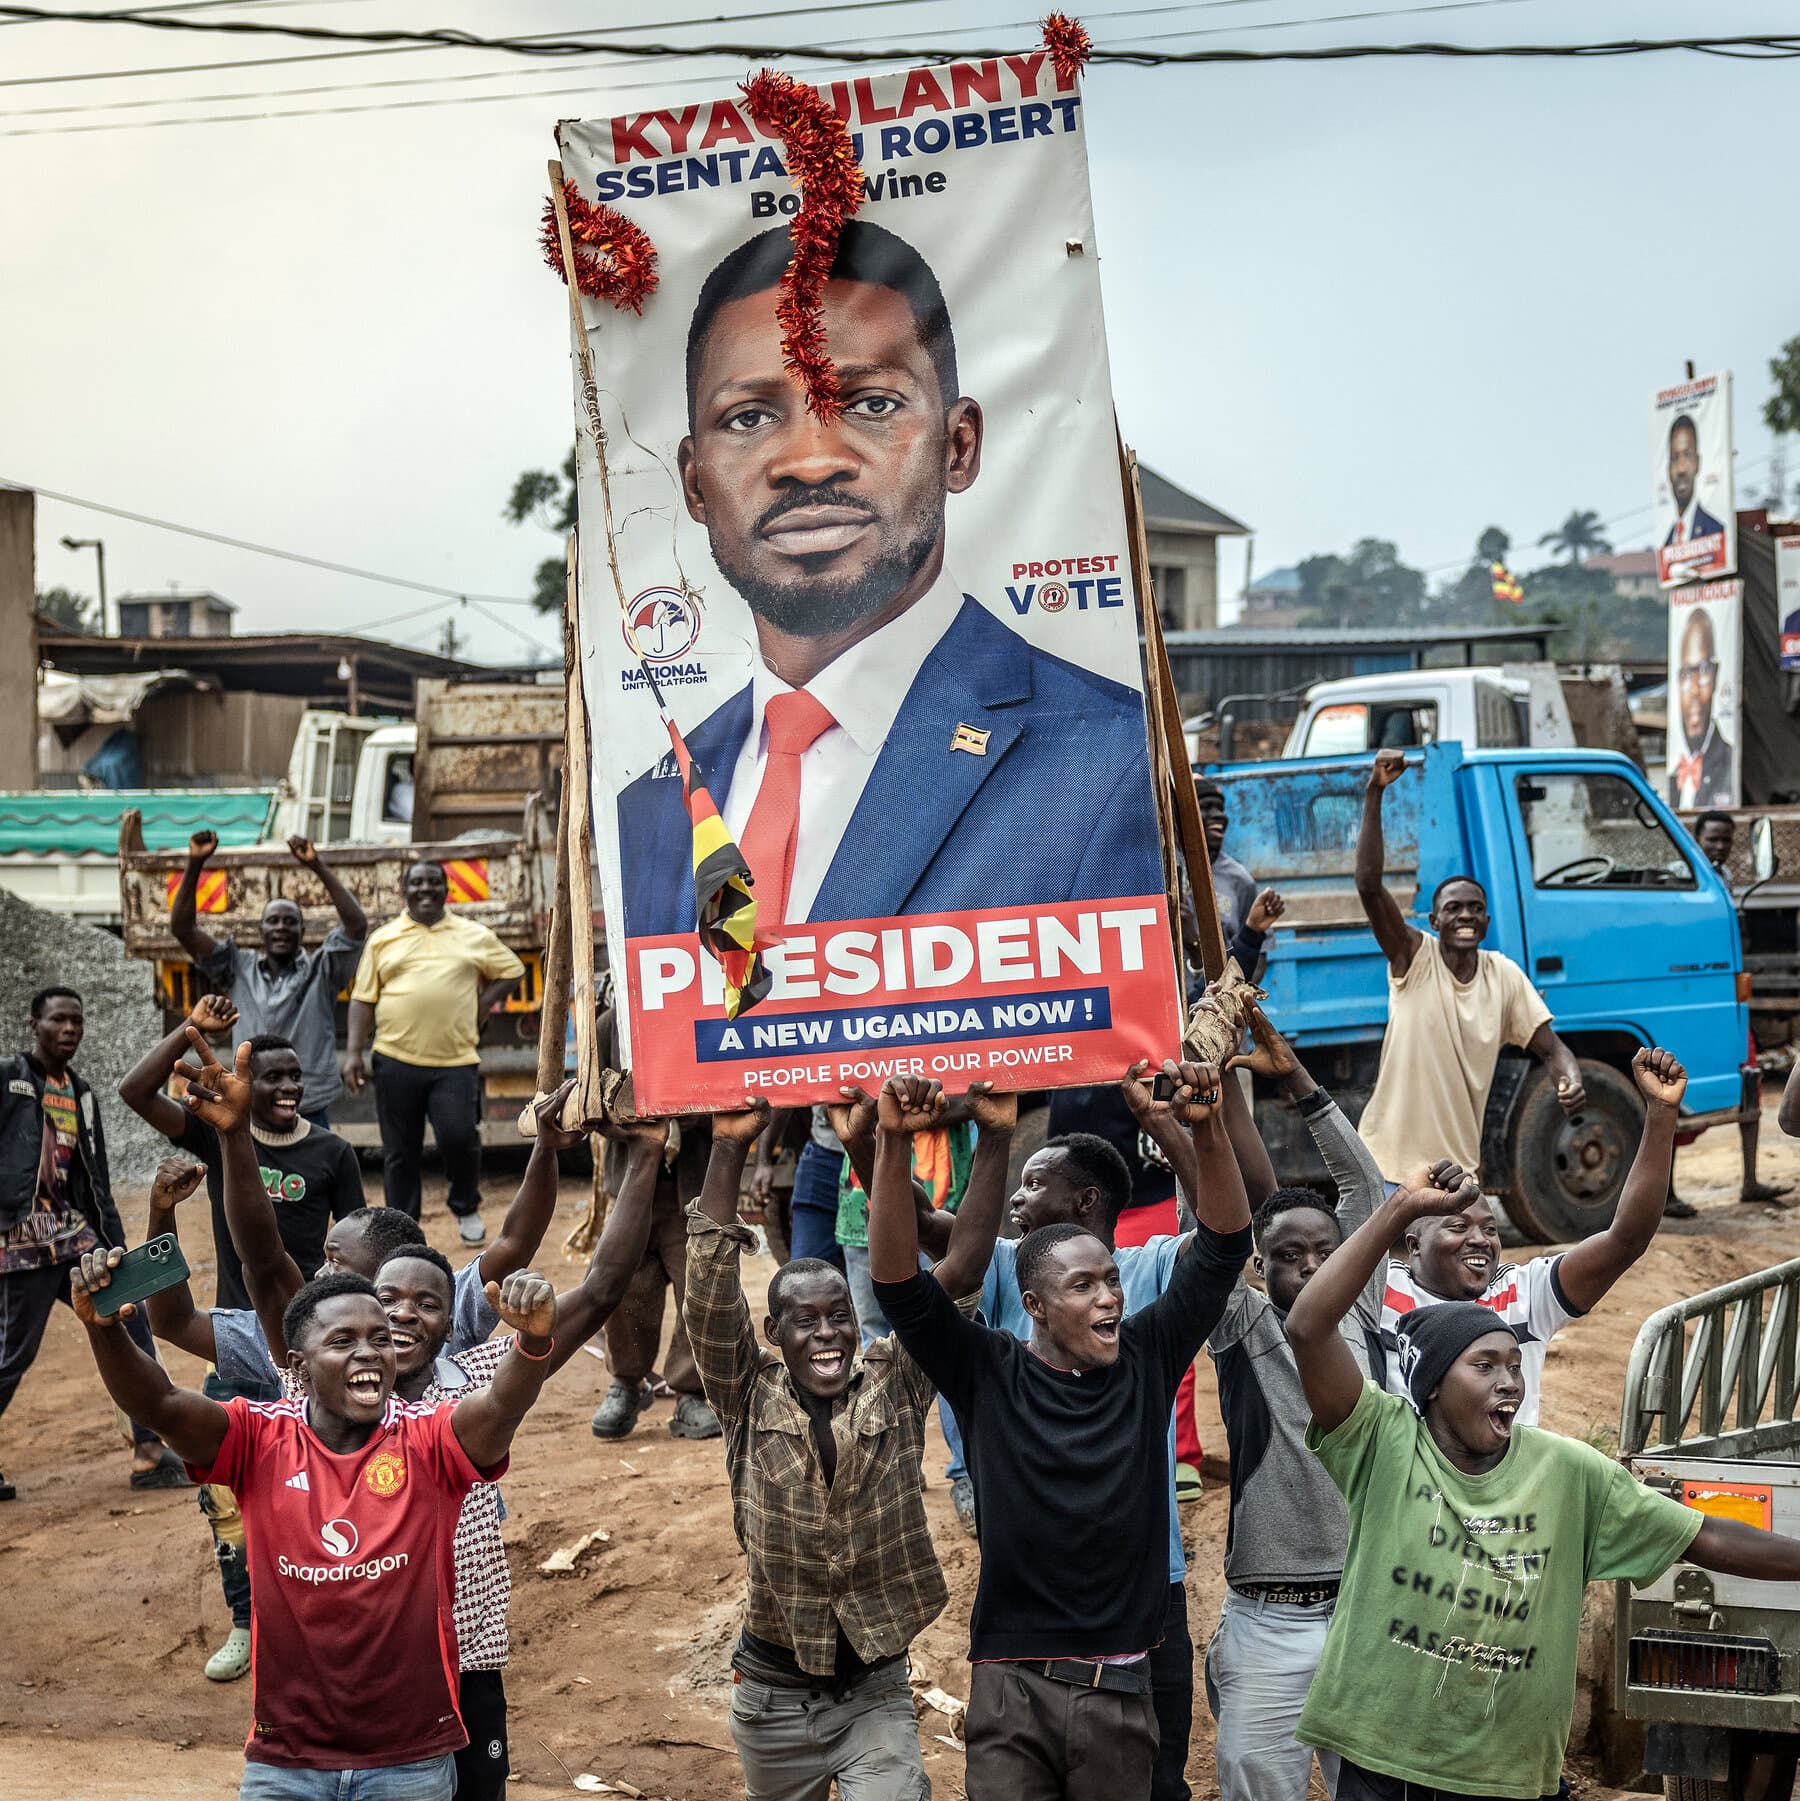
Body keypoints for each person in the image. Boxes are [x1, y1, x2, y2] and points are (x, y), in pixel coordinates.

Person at [616, 217, 1165, 936]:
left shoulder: (1104, 756)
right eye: (749, 417)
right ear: (694, 482)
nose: (809, 461)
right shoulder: (645, 804)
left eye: (872, 404)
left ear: (959, 446)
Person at [188, 1045, 666, 1801]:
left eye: (428, 1304)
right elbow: (261, 1254)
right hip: (339, 1688)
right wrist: (235, 1138)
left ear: (457, 1322)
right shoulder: (307, 1387)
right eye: (386, 1300)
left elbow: (603, 1286)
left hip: (463, 1664)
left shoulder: (478, 1381)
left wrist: (645, 1154)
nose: (403, 1315)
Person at [1285, 1160, 1800, 1801]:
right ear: (1435, 1384)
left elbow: (1704, 1537)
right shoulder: (1383, 1443)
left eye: (1514, 1364)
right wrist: (1399, 1212)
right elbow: (1307, 1328)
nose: (1509, 1381)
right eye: (1485, 1365)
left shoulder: (1567, 1472)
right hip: (1386, 1763)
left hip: (1511, 1770)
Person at [873, 1065, 1253, 1801]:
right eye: (1085, 1286)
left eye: (1111, 1279)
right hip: (1011, 1686)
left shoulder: (1147, 1352)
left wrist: (1202, 1127)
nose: (1111, 1295)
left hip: (1120, 1685)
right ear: (1035, 1305)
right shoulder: (986, 1370)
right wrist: (891, 1142)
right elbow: (899, 1286)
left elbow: (1224, 1243)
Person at [70, 1242, 562, 1800]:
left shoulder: (429, 1438)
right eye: (343, 1342)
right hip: (286, 1762)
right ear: (299, 1368)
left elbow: (499, 1407)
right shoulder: (256, 1439)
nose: (371, 1353)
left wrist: (533, 1342)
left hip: (411, 1760)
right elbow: (159, 1404)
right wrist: (104, 1330)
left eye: (380, 1340)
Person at [682, 1088, 1006, 1801]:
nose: (826, 1331)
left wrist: (988, 1135)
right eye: (804, 1320)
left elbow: (959, 1269)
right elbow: (708, 1292)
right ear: (775, 1336)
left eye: (838, 1315)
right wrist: (730, 1145)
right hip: (770, 1695)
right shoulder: (746, 1392)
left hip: (875, 1689)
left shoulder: (895, 1380)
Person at [1202, 1008, 1421, 1801]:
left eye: (1326, 1251)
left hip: (1373, 1605)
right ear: (1259, 1267)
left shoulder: (1363, 1313)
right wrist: (1204, 1119)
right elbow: (1220, 1224)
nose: (1308, 1266)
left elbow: (1367, 1185)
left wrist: (1290, 1073)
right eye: (1287, 1255)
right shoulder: (1240, 1321)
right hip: (1267, 1616)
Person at [1378, 1048, 1688, 1424]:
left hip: (1512, 1484)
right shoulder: (1381, 1294)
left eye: (1490, 1229)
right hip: (1416, 1484)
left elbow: (1626, 1239)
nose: (1480, 1239)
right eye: (1458, 1227)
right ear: (1413, 1246)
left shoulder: (1525, 1295)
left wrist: (1661, 1114)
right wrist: (1403, 1203)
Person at [1353, 745, 1588, 1185]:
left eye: (1475, 908)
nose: (1465, 915)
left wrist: (1569, 1081)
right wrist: (1375, 791)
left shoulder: (1503, 975)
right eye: (1454, 908)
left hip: (1456, 1173)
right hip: (1386, 1169)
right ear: (1434, 920)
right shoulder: (1413, 957)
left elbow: (1552, 1050)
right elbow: (1368, 885)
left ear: (1486, 921)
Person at [0, 985, 189, 1501]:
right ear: (32, 1026)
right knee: (13, 1351)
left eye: (76, 1023)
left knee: (131, 1320)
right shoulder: (9, 1079)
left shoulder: (80, 1092)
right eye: (58, 1021)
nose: (69, 1031)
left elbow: (96, 1179)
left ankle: (149, 1452)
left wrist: (117, 1245)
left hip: (74, 1234)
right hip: (21, 1240)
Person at [118, 995, 362, 1315]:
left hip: (308, 1319)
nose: (290, 1086)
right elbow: (135, 1092)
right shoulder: (220, 1135)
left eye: (295, 1076)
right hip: (237, 1320)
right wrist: (193, 1026)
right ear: (244, 1084)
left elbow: (357, 1248)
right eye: (273, 1078)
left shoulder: (334, 1152)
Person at [344, 860, 526, 1242]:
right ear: (405, 890)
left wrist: (481, 1006)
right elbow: (362, 999)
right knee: (399, 1151)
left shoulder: (472, 934)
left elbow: (512, 970)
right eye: (417, 883)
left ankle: (466, 1205)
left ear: (447, 890)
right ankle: (401, 1228)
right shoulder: (384, 938)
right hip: (395, 1058)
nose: (425, 889)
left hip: (455, 1062)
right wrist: (353, 1053)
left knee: (459, 1137)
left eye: (433, 882)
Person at [588, 980, 721, 1443]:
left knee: (699, 1286)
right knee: (626, 1285)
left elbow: (732, 1092)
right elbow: (593, 1107)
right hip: (633, 1185)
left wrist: (690, 1113)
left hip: (694, 1184)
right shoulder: (609, 1026)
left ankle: (691, 1392)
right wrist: (639, 1130)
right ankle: (627, 1381)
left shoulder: (707, 1010)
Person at [171, 830, 367, 1126]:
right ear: (261, 932)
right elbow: (183, 928)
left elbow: (356, 925)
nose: (281, 927)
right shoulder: (239, 966)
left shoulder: (322, 971)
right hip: (251, 1108)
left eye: (290, 922)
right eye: (272, 921)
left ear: (302, 934)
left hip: (307, 1106)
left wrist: (316, 865)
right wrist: (196, 862)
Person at [1688, 812, 1786, 1206]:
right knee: (1676, 1093)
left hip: (1726, 1002)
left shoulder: (1723, 880)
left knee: (1751, 1082)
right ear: (1695, 838)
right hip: (1695, 1002)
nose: (1719, 847)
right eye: (1712, 839)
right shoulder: (1687, 879)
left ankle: (1750, 1180)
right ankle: (1669, 1192)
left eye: (1726, 841)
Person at [1193, 776, 1285, 973]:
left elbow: (1258, 958)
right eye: (1207, 807)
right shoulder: (1167, 872)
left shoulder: (1240, 880)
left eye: (1220, 809)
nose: (1219, 816)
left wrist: (1232, 996)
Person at [1668, 607, 1736, 808]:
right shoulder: (1674, 775)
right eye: (1687, 674)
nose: (1695, 690)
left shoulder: (1729, 764)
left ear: (1715, 675)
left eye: (1703, 671)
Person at [1660, 412, 1728, 582]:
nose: (1681, 468)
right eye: (1675, 459)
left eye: (1687, 455)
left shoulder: (1715, 530)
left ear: (1698, 463)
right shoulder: (1668, 542)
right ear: (1668, 469)